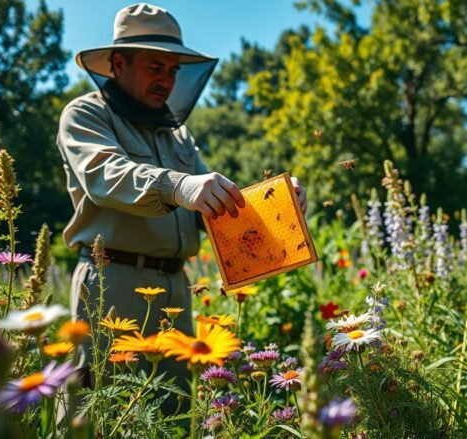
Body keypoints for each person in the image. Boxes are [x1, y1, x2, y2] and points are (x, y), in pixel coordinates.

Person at [55, 2, 307, 412]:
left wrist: (278, 205)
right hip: (110, 285)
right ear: (118, 63)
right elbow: (104, 174)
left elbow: (214, 203)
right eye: (155, 67)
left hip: (176, 289)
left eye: (173, 71)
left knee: (172, 414)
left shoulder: (179, 137)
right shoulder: (85, 114)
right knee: (101, 411)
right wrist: (179, 184)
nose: (167, 81)